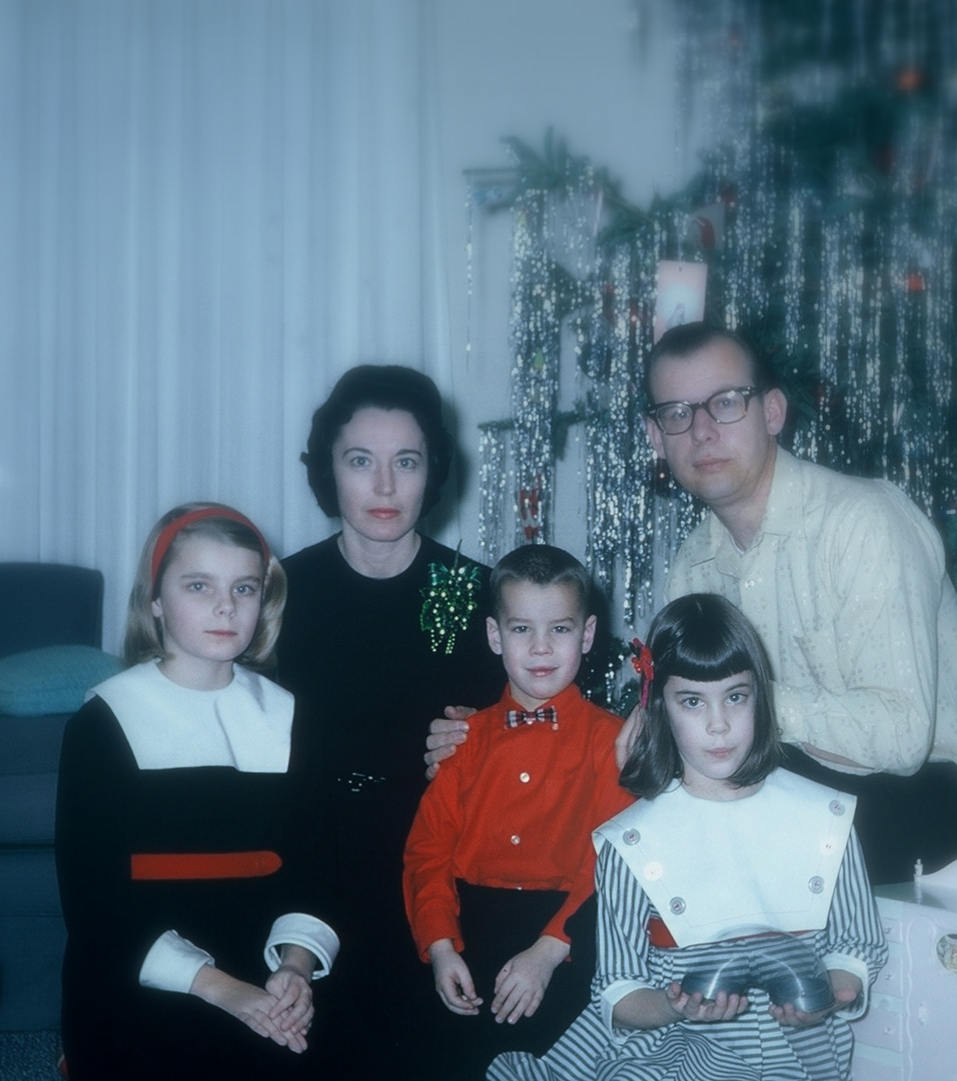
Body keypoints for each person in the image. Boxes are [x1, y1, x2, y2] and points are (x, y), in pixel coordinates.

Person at [426, 323, 957, 884]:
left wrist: (735, 701)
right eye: (677, 413)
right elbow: (679, 731)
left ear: (772, 412)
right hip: (788, 823)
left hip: (927, 838)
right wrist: (495, 742)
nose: (701, 431)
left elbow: (901, 740)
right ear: (656, 437)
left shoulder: (862, 524)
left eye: (726, 403)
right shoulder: (693, 564)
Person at [485, 593, 887, 1081]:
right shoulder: (632, 841)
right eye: (692, 701)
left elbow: (856, 946)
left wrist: (827, 994)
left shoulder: (825, 817)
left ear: (760, 697)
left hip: (800, 1059)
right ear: (659, 707)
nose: (719, 725)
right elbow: (619, 990)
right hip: (675, 1050)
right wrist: (675, 1006)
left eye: (735, 697)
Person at [274, 365, 506, 1076]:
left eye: (406, 461)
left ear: (432, 471)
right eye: (360, 461)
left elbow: (526, 731)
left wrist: (479, 739)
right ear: (328, 470)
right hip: (304, 854)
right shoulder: (281, 590)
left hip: (428, 862)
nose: (383, 486)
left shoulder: (467, 591)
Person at [55, 504, 339, 1080]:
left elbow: (320, 864)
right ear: (155, 600)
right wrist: (224, 990)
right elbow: (93, 901)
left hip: (263, 959)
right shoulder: (105, 720)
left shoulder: (290, 714)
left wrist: (296, 965)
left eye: (244, 588)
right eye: (199, 585)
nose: (225, 606)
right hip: (142, 964)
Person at [402, 544, 633, 1076]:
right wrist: (440, 945)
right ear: (494, 635)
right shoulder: (464, 738)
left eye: (560, 629)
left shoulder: (613, 743)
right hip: (465, 930)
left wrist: (549, 950)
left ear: (588, 635)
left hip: (568, 936)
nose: (541, 647)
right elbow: (427, 852)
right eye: (522, 629)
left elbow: (610, 864)